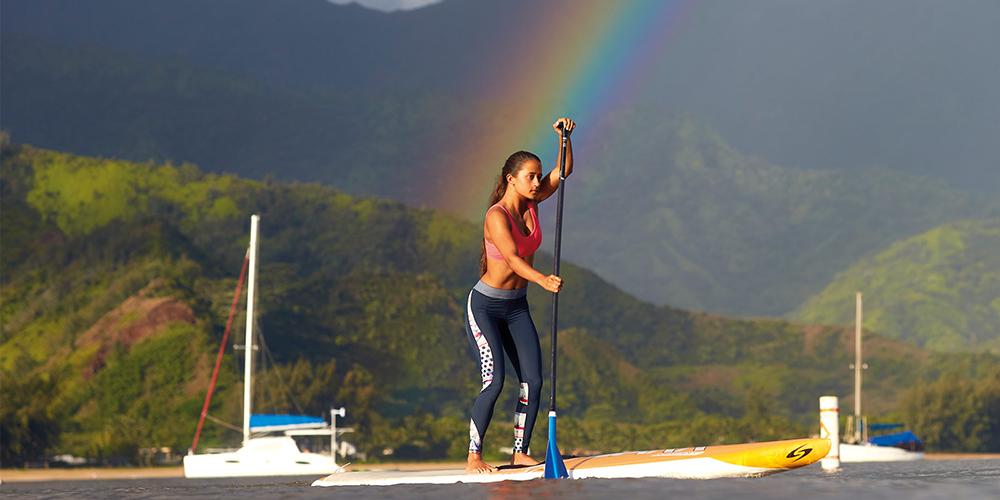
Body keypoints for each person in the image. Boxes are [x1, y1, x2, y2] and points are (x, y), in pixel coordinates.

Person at [465, 117, 576, 474]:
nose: (536, 182)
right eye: (529, 176)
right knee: (494, 381)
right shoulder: (496, 216)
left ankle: (519, 451)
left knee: (533, 380)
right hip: (485, 307)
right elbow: (512, 259)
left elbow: (564, 172)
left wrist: (565, 138)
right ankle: (473, 456)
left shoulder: (534, 202)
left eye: (537, 175)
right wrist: (543, 280)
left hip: (516, 308)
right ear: (511, 179)